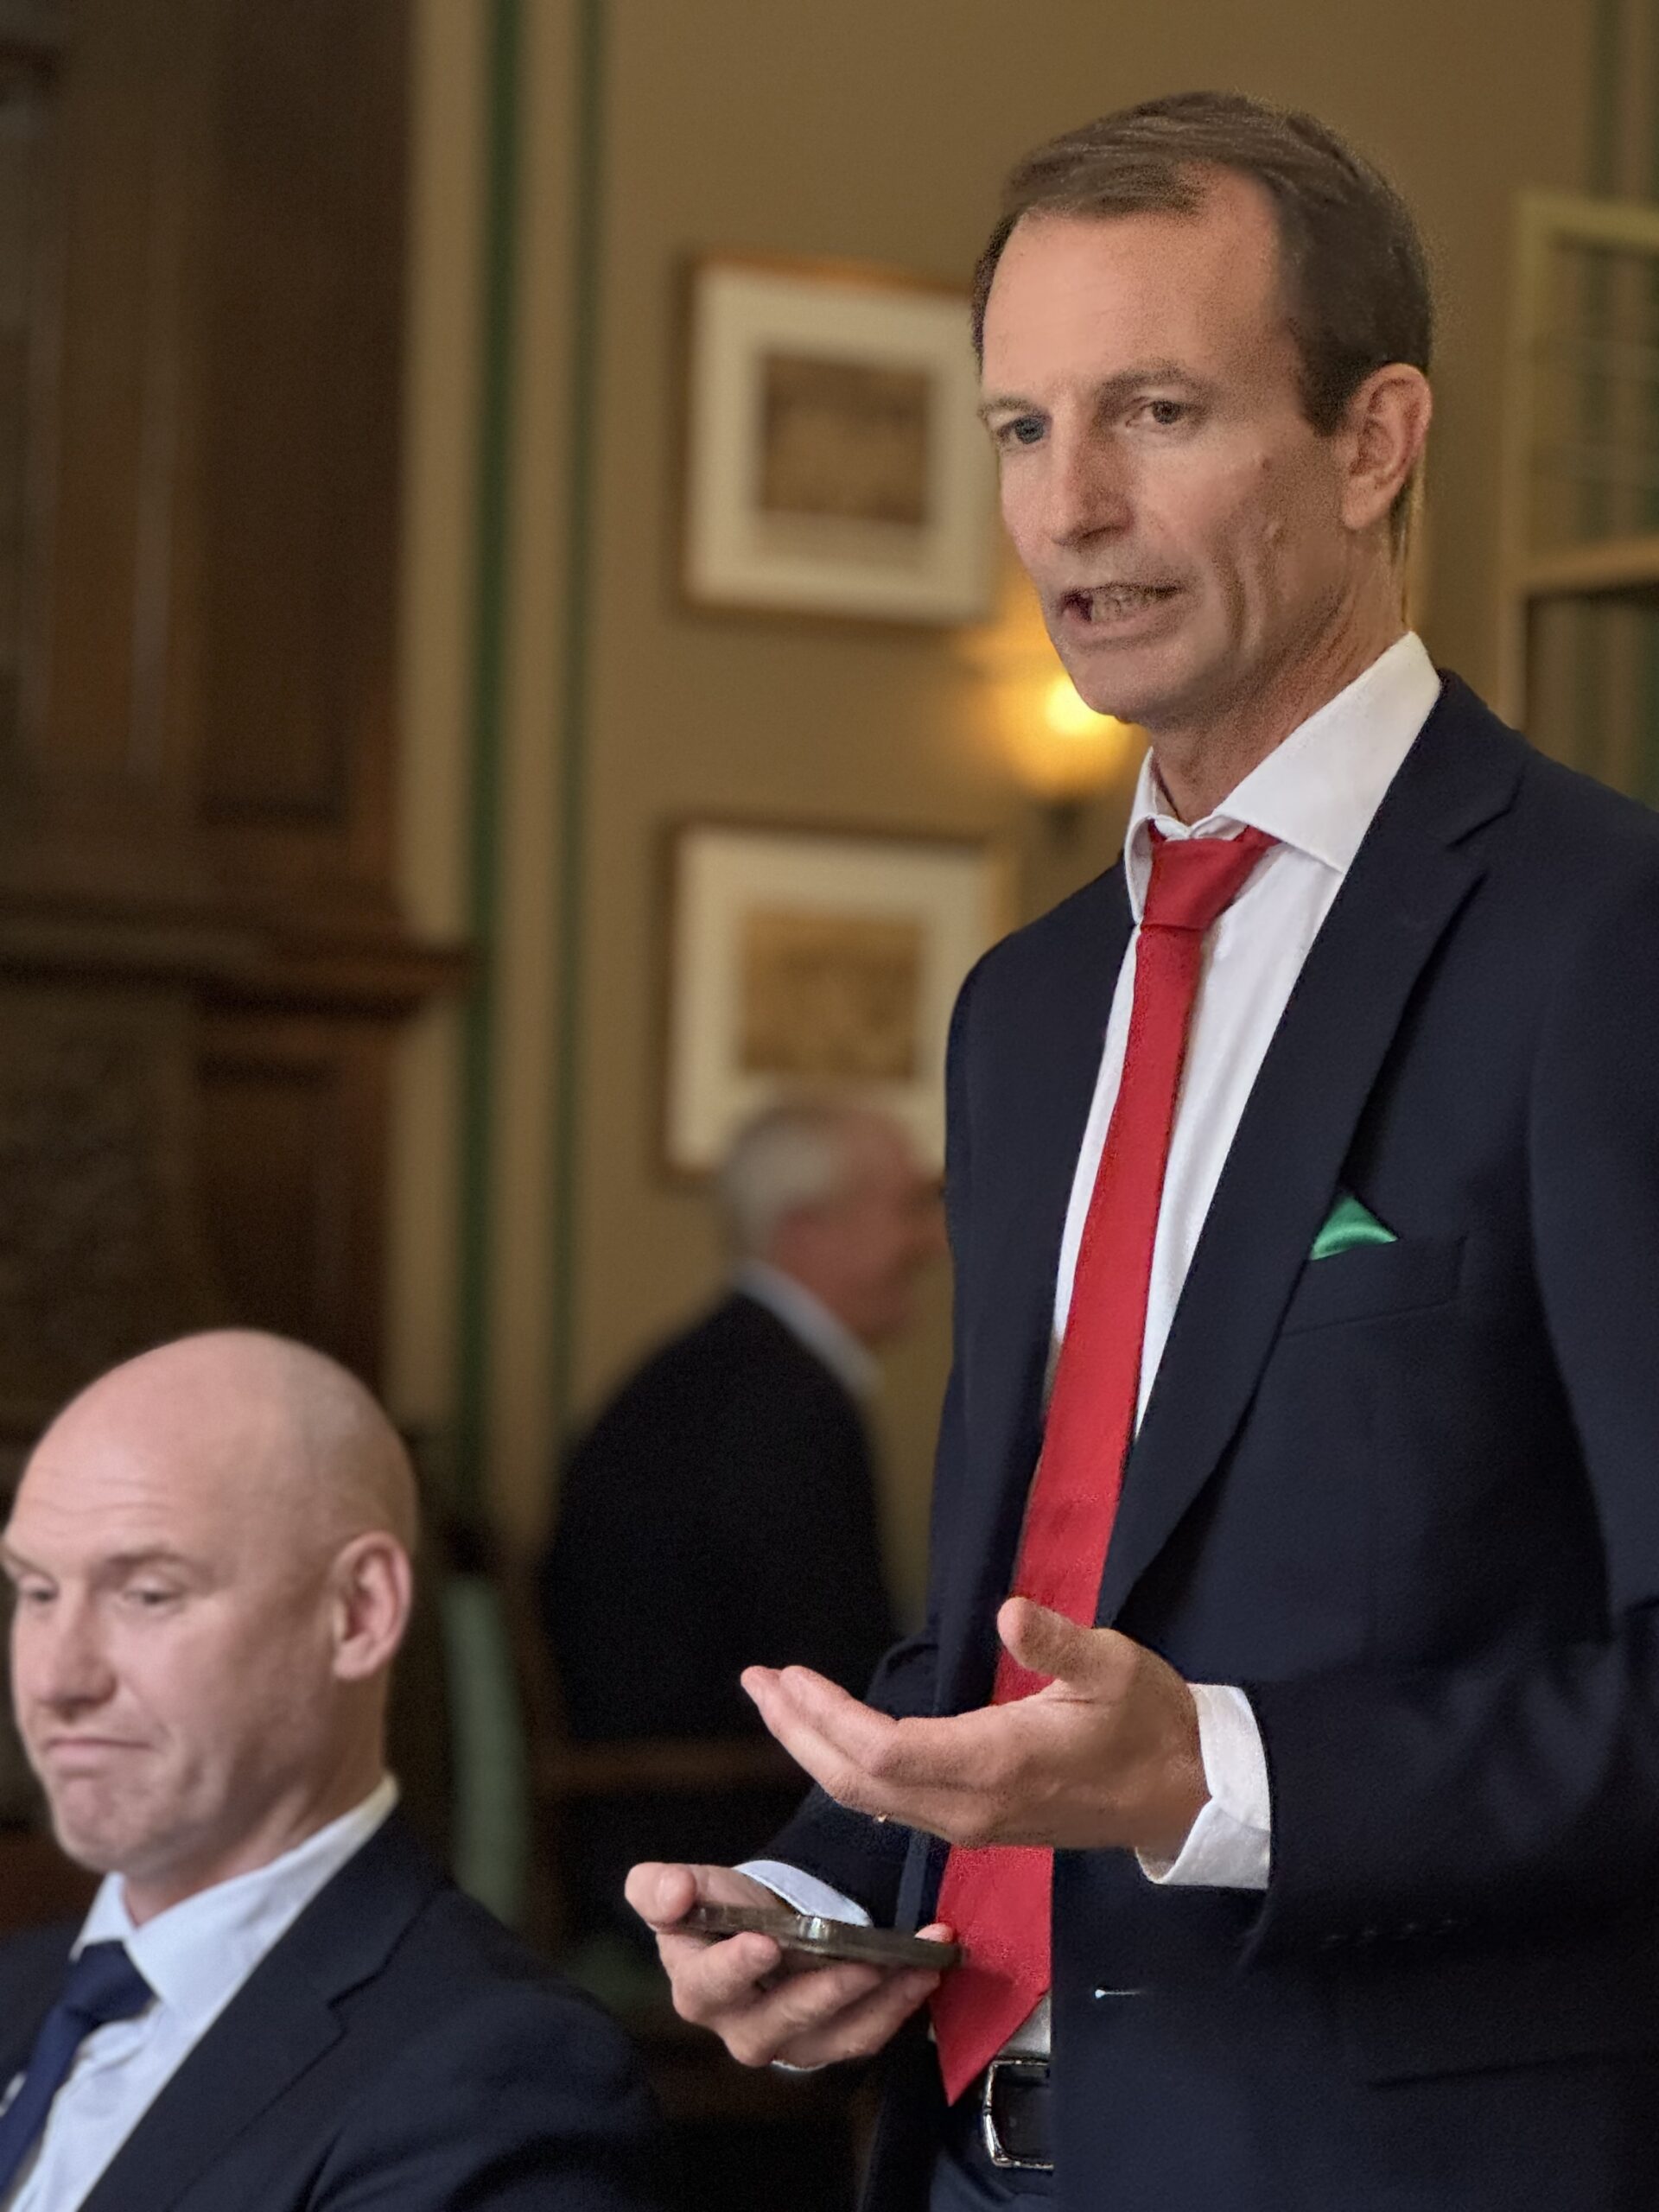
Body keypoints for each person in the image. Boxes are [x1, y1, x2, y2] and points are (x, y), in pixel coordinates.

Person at [627, 90, 1659, 2212]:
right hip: (968, 2159)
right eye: (1021, 429)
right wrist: (819, 1886)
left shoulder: (1605, 936)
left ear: (1374, 442)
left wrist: (1221, 1773)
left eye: (1156, 412)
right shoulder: (1022, 1011)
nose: (1069, 507)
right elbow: (1016, 1631)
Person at [0, 1329, 670, 2212]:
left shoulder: (498, 2072)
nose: (57, 1679)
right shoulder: (20, 1987)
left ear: (357, 1612)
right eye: (37, 1592)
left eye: (147, 1594)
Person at [542, 1100, 942, 1940]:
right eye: (906, 1209)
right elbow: (836, 1672)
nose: (930, 1242)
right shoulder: (780, 1402)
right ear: (806, 1230)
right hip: (708, 1838)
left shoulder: (724, 1372)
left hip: (669, 1819)